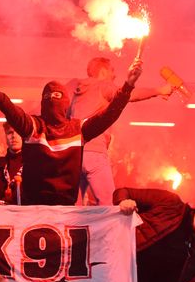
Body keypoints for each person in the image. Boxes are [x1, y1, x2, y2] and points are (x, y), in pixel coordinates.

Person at [0, 60, 142, 205]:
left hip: (60, 212)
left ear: (65, 102)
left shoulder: (76, 129)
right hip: (37, 209)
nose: (52, 99)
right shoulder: (35, 126)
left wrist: (128, 85)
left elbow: (107, 115)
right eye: (48, 96)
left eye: (56, 96)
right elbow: (14, 113)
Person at [66, 57, 174, 205]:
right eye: (112, 71)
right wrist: (159, 90)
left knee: (74, 208)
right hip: (95, 153)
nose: (114, 75)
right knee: (109, 204)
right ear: (103, 71)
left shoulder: (75, 89)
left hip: (73, 154)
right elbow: (127, 94)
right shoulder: (103, 85)